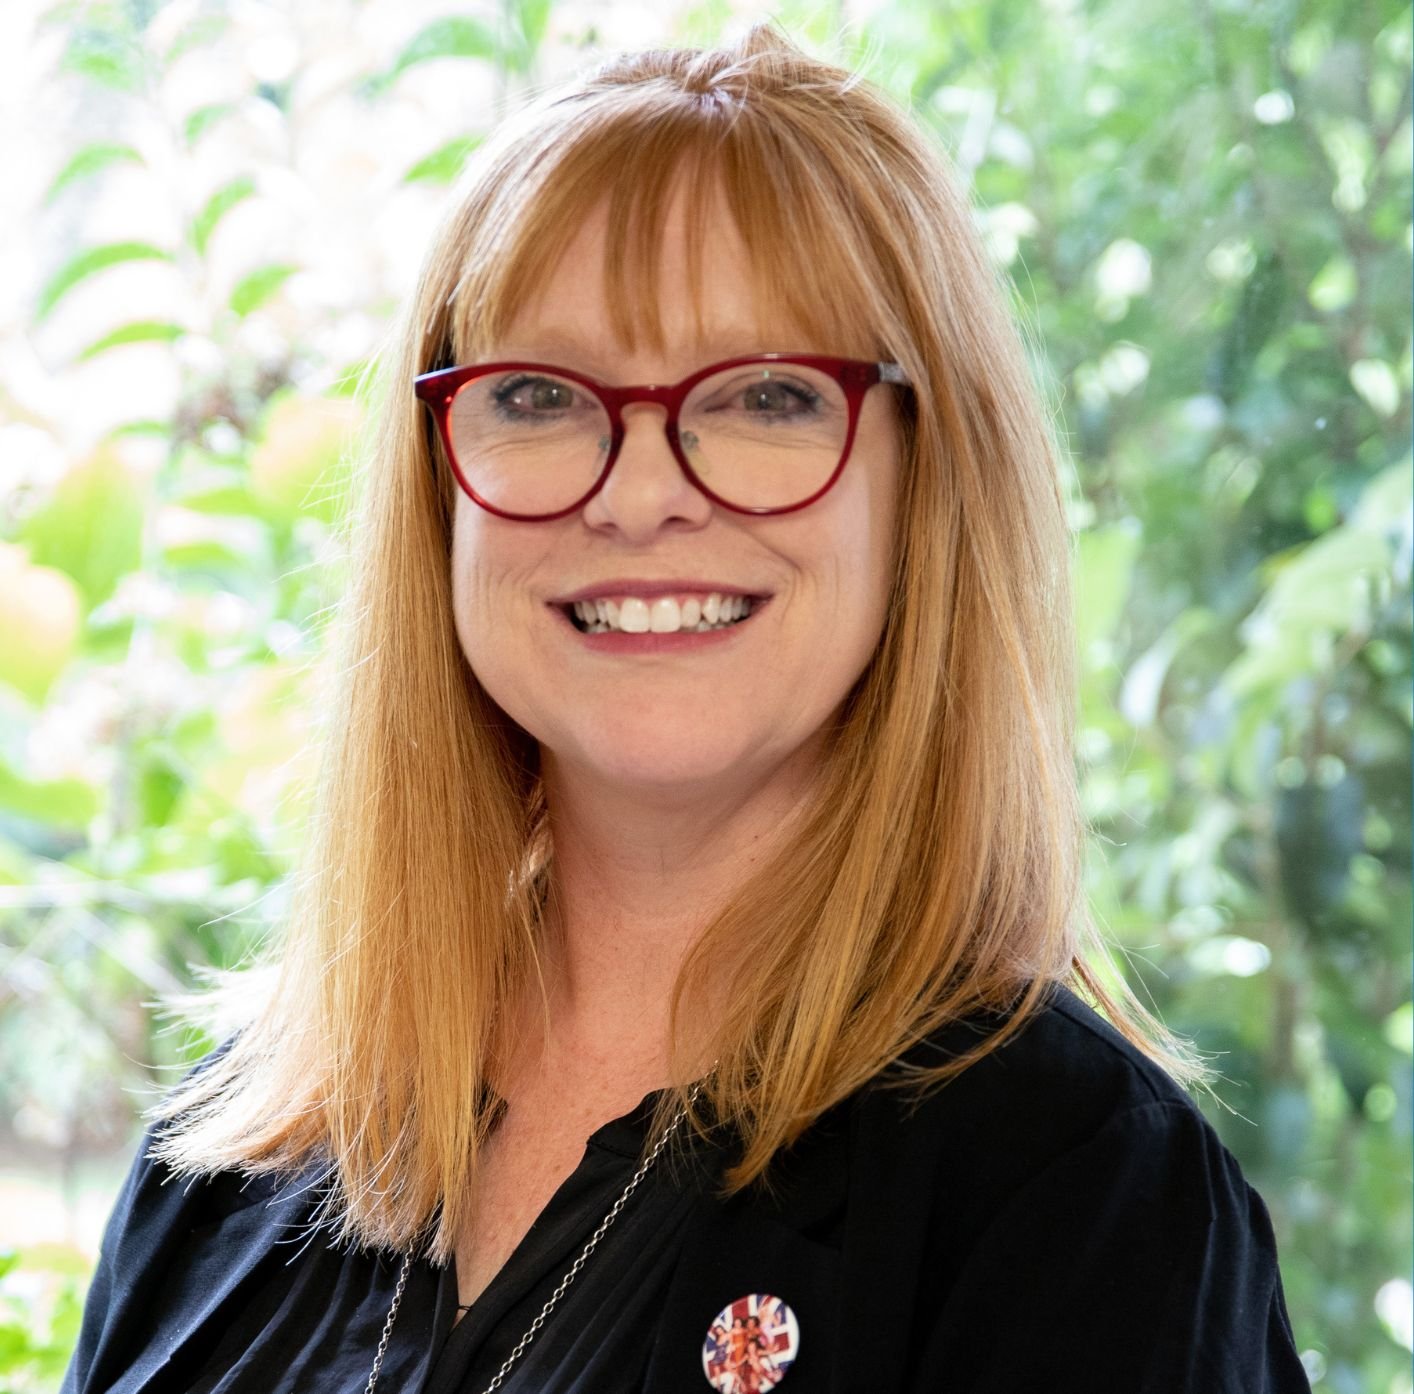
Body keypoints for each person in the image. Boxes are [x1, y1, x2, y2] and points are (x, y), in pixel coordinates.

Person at [62, 23, 1310, 1394]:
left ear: (927, 483)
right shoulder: (231, 1153)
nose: (641, 489)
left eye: (767, 395)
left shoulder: (1079, 1190)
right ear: (437, 490)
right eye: (537, 394)